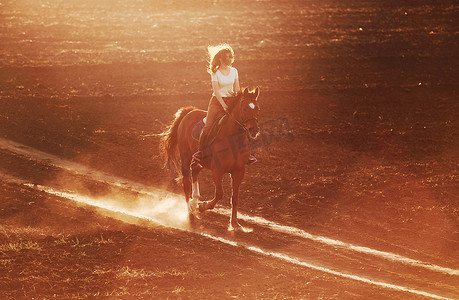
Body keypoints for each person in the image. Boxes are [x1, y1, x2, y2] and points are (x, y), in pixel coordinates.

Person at [192, 44, 256, 165]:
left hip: (231, 100)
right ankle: (200, 153)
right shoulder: (215, 73)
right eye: (227, 57)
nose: (230, 59)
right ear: (221, 59)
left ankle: (247, 154)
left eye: (231, 57)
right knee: (208, 126)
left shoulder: (234, 71)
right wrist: (223, 105)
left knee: (243, 123)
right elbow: (216, 91)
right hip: (217, 102)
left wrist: (237, 97)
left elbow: (237, 87)